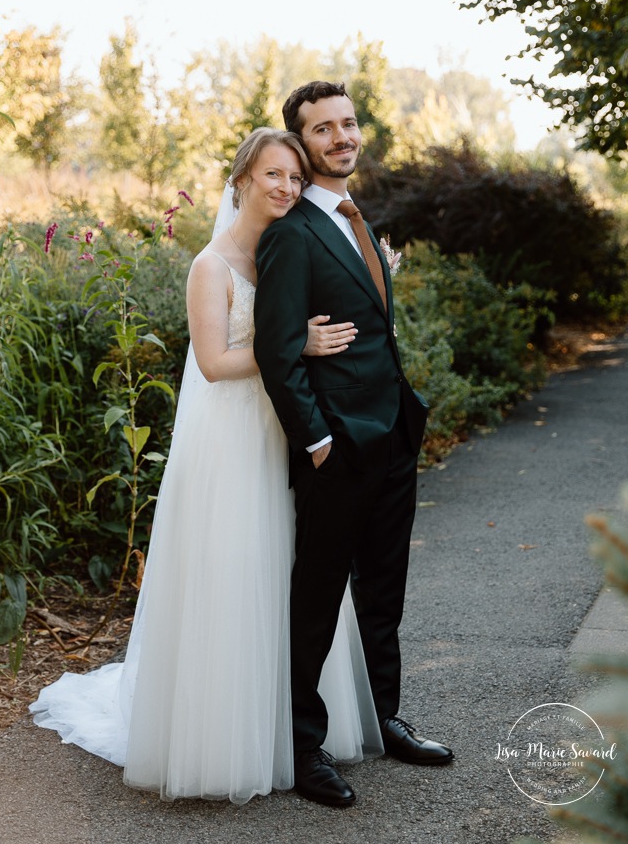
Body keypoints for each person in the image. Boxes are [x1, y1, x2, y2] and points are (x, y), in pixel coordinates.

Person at [30, 128, 383, 805]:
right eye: (271, 174)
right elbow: (216, 365)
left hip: (286, 433)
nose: (284, 187)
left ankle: (290, 728)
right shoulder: (211, 265)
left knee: (290, 578)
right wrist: (294, 345)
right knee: (234, 578)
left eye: (292, 177)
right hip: (230, 441)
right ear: (242, 178)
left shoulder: (286, 251)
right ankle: (222, 738)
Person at [254, 83, 454, 809]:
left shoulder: (355, 220)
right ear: (300, 144)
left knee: (382, 591)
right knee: (316, 601)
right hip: (335, 448)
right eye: (322, 129)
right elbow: (279, 357)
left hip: (393, 435)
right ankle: (306, 749)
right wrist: (315, 443)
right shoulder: (288, 235)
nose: (341, 137)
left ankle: (384, 720)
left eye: (347, 123)